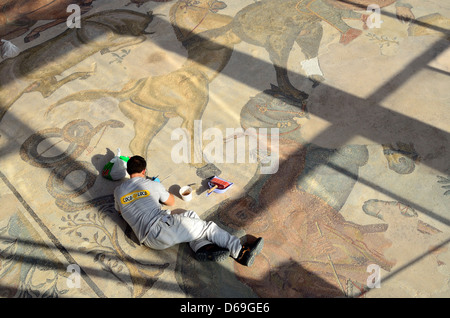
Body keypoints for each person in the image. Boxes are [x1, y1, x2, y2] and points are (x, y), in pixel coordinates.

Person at [114, 155, 263, 266]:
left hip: (148, 240)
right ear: (144, 170)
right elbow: (171, 202)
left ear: (128, 171)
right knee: (208, 228)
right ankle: (241, 252)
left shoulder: (118, 191)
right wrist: (158, 188)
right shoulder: (151, 184)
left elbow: (120, 212)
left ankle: (203, 247)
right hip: (162, 229)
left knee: (190, 216)